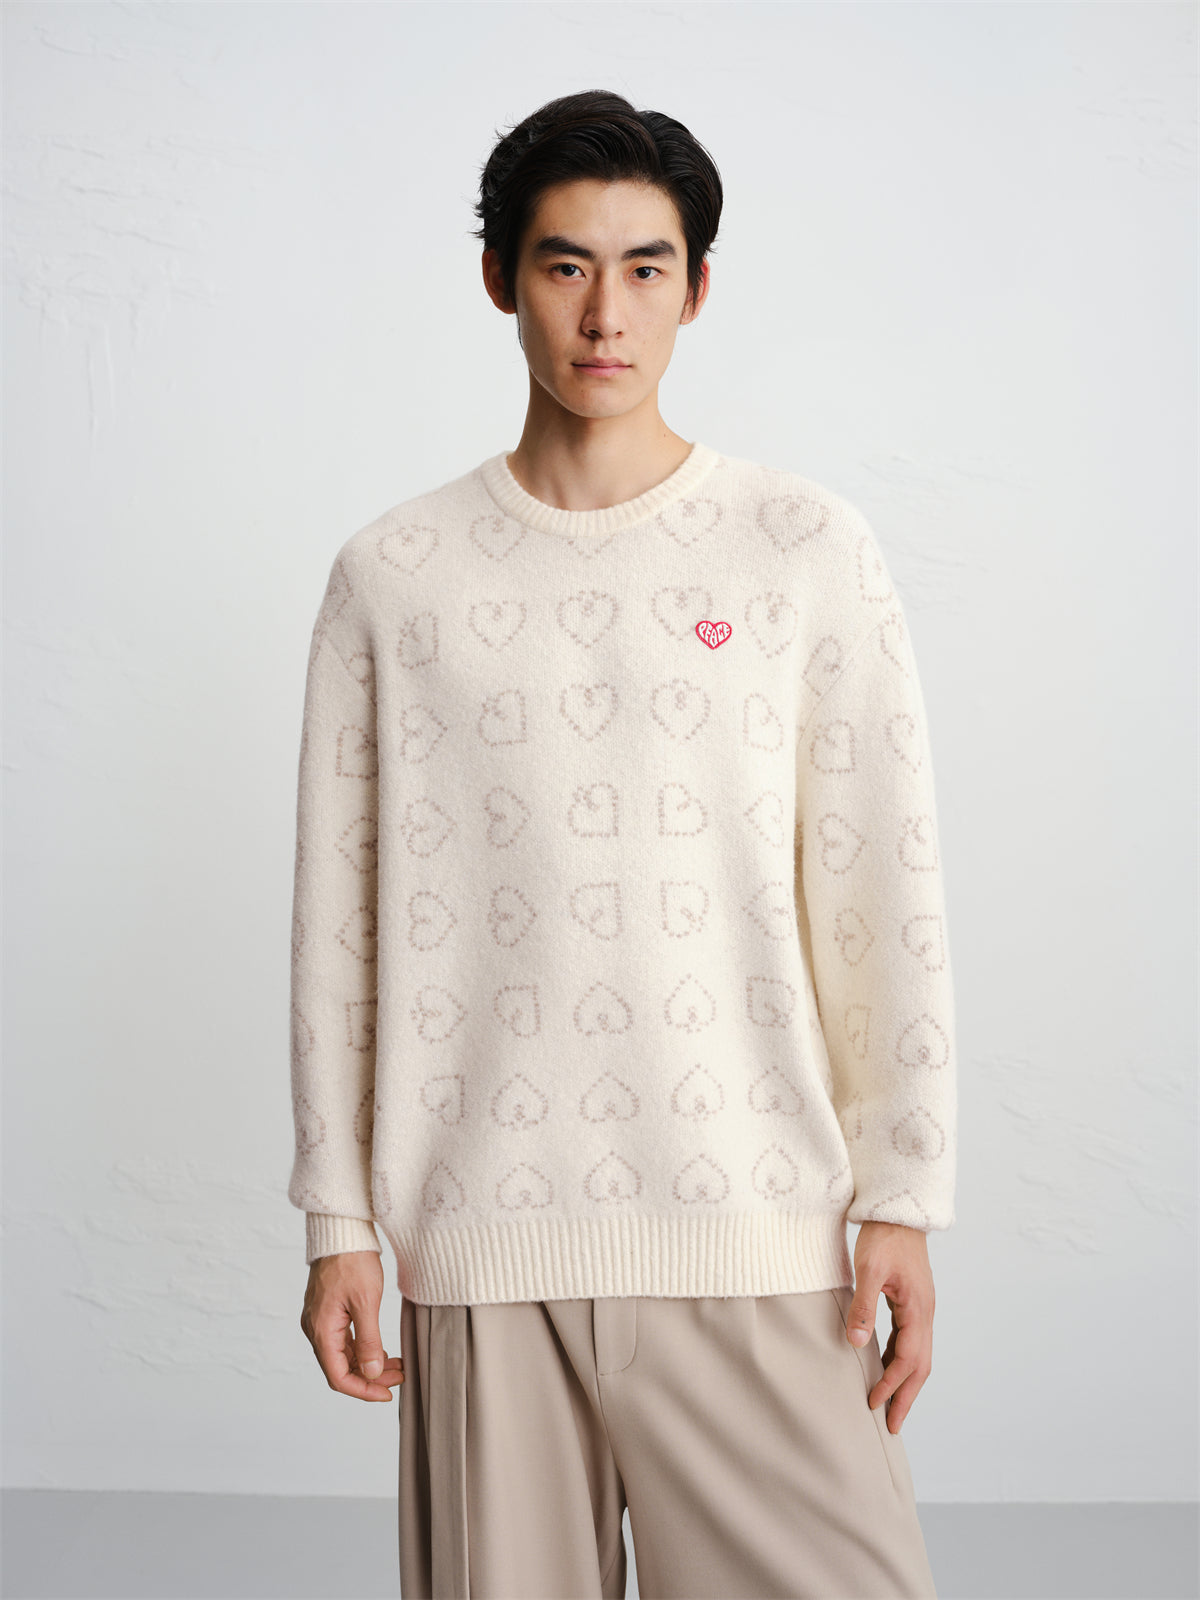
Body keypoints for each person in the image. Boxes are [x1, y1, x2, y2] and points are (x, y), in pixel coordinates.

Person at [289, 88, 956, 1600]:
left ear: (697, 288)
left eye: (646, 268)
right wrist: (339, 1220)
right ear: (500, 279)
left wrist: (903, 1192)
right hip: (482, 1246)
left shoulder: (804, 551)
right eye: (565, 265)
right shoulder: (394, 578)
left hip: (758, 1231)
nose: (607, 313)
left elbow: (878, 888)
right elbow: (339, 922)